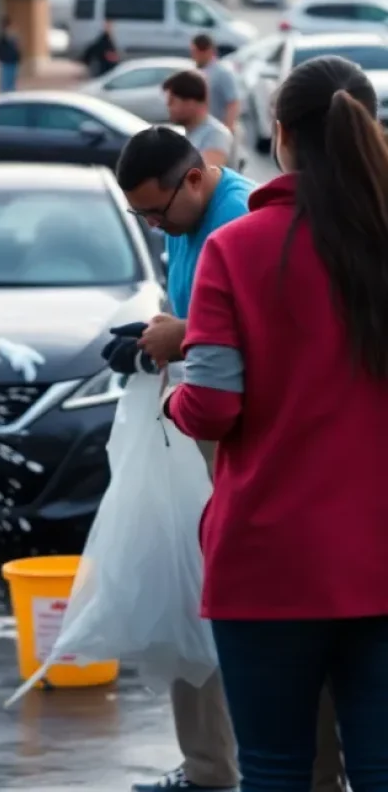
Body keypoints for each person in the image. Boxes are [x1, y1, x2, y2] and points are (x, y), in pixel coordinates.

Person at [163, 54, 388, 790]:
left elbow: (214, 408)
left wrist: (170, 400)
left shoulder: (237, 249)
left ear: (282, 135)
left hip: (269, 559)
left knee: (275, 768)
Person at [110, 126, 344, 792]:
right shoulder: (188, 226)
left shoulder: (239, 223)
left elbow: (253, 351)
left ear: (194, 179)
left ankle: (268, 767)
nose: (155, 228)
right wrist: (163, 335)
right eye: (140, 218)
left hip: (253, 447)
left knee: (263, 620)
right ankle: (213, 765)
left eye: (157, 212)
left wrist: (180, 347)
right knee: (199, 594)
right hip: (247, 447)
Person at [163, 70, 240, 171]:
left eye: (172, 101)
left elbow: (201, 177)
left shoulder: (216, 134)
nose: (168, 106)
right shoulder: (190, 133)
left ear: (190, 103)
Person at [190, 33, 242, 135]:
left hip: (219, 131)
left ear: (206, 51)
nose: (193, 56)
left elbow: (233, 103)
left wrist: (227, 131)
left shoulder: (222, 73)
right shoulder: (198, 71)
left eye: (195, 52)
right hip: (202, 131)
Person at [0, 15, 22, 92]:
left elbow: (17, 48)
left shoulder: (12, 36)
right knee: (5, 83)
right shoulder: (3, 36)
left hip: (11, 62)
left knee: (10, 83)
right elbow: (0, 49)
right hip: (6, 62)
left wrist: (18, 58)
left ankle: (10, 96)